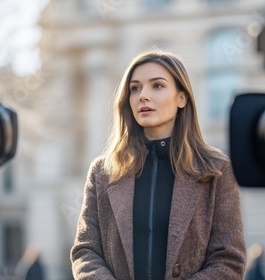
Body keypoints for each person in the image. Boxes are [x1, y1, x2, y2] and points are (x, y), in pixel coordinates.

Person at [70, 49, 247, 279]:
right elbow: (86, 251)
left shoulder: (216, 170)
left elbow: (229, 259)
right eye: (135, 88)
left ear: (181, 98)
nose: (143, 95)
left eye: (157, 86)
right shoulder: (103, 172)